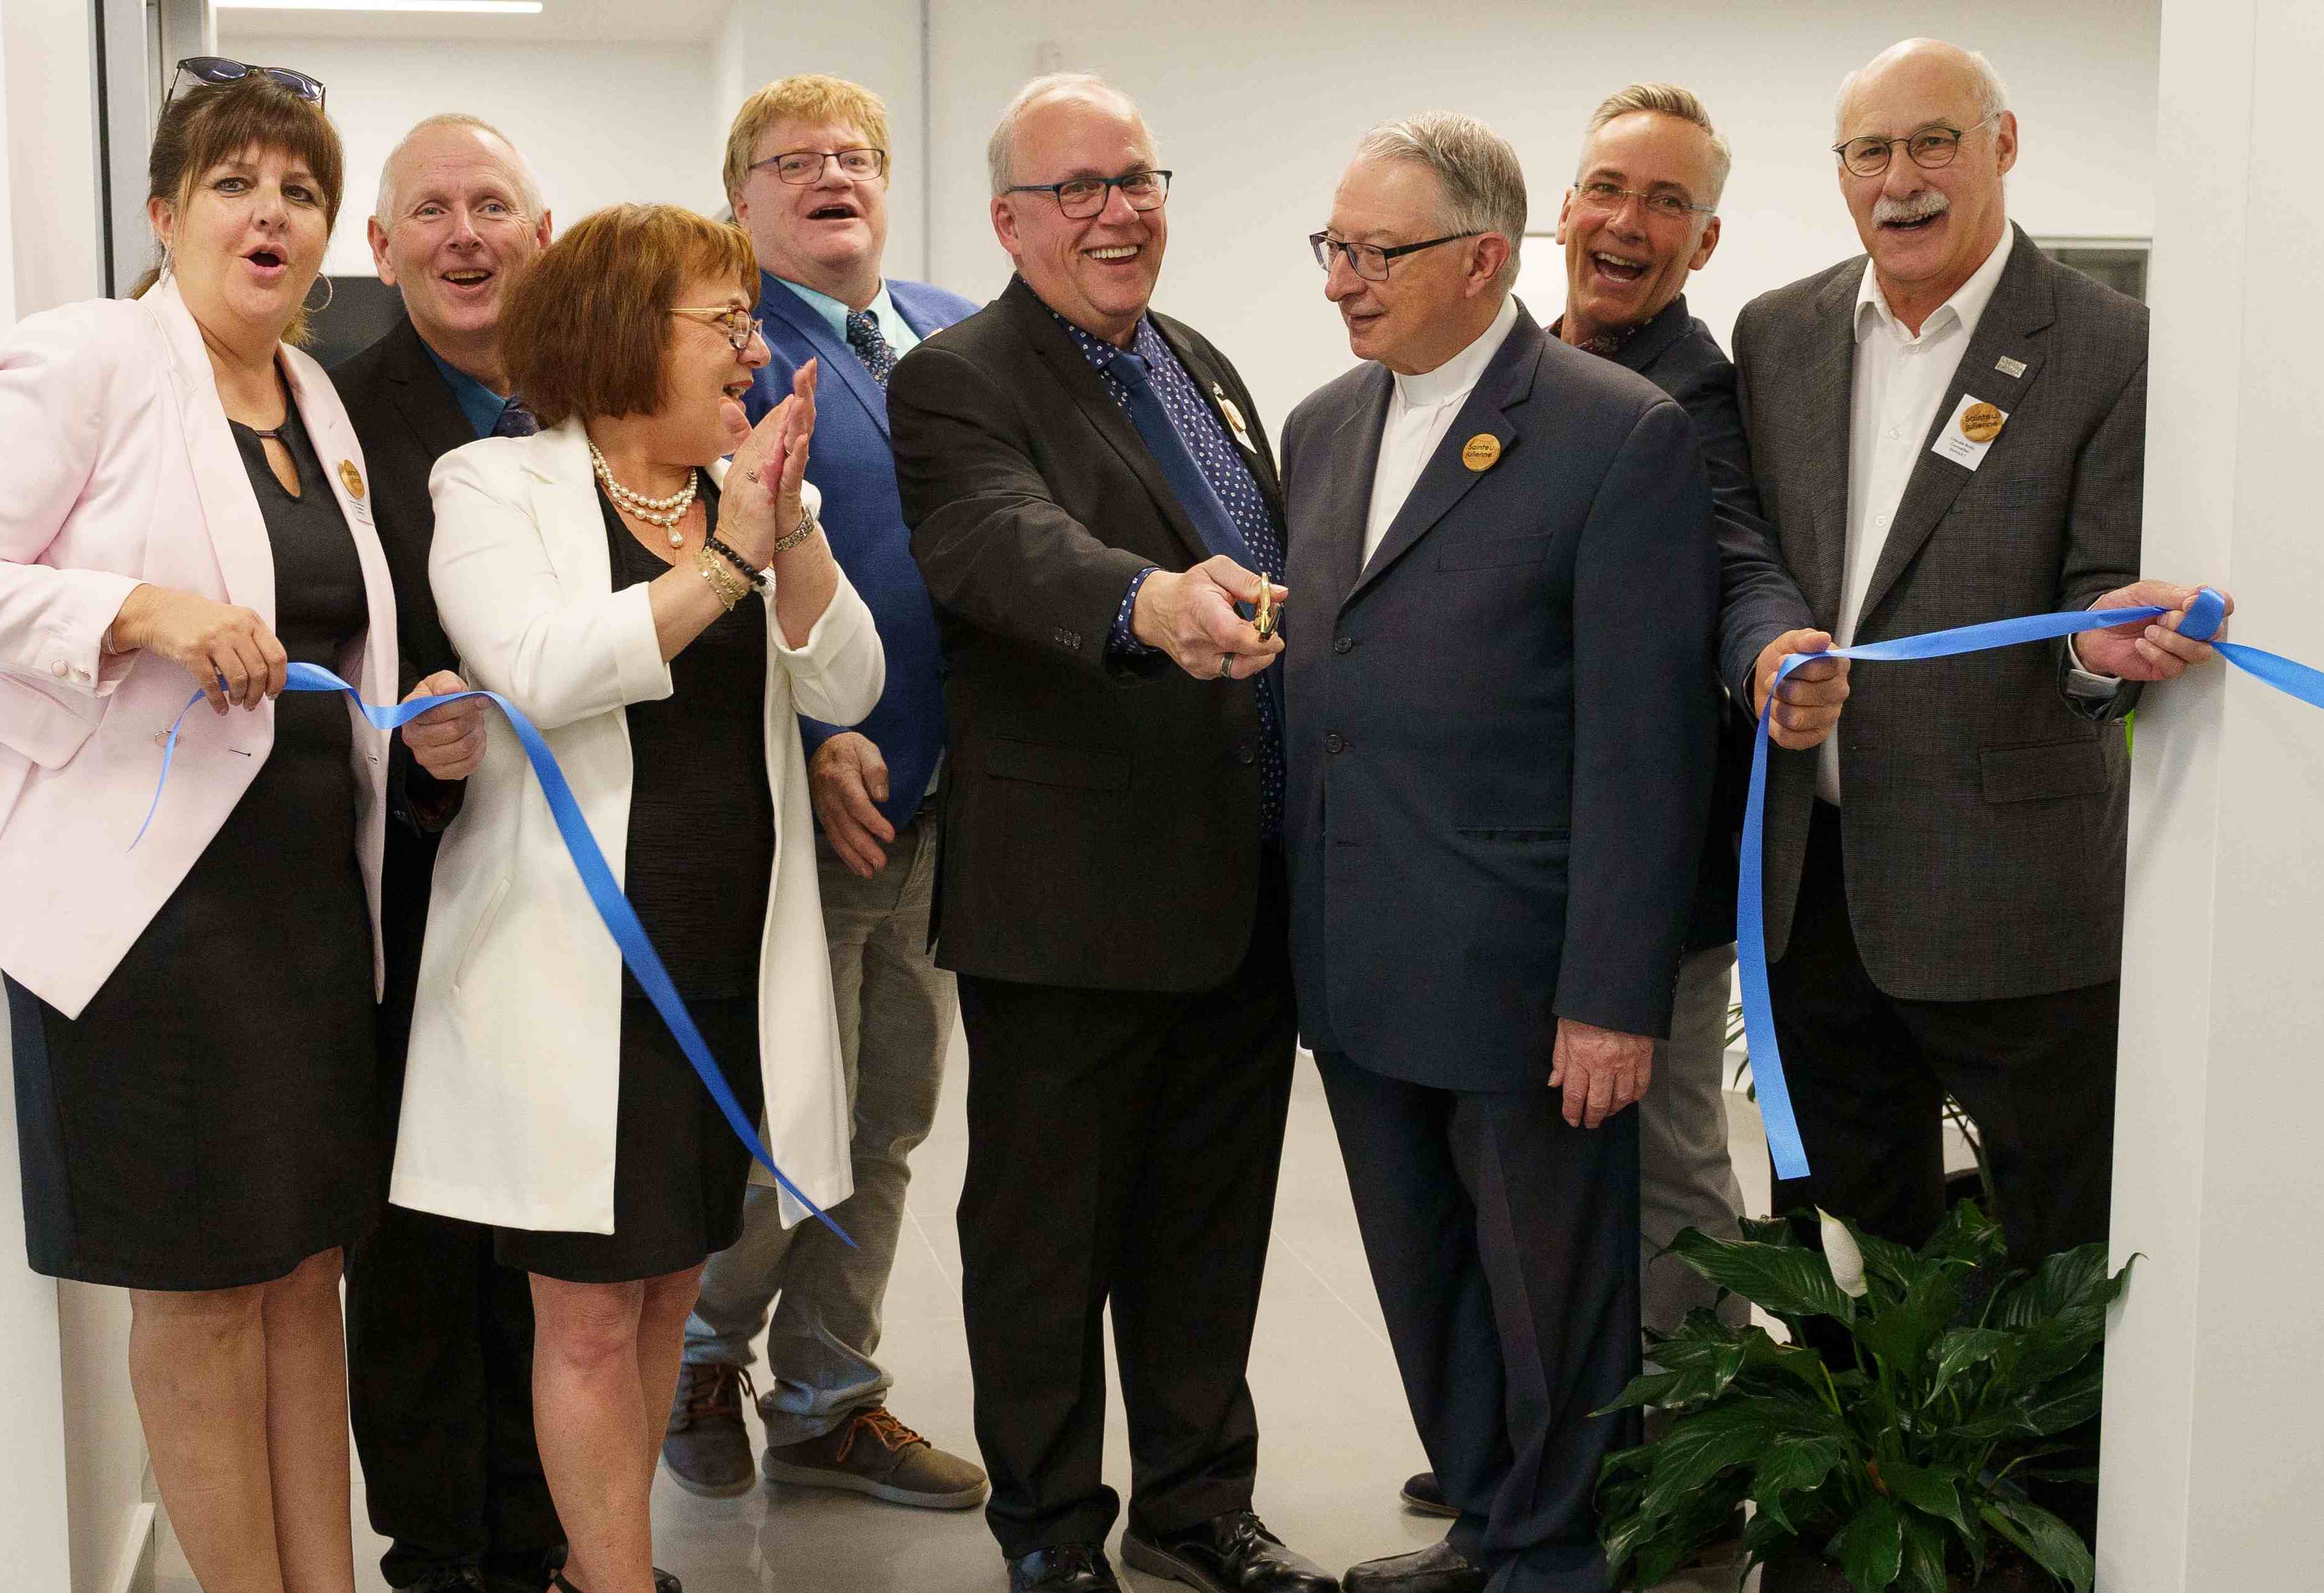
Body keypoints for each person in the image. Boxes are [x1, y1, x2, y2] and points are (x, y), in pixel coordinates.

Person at [0, 60, 486, 1593]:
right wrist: (134, 609)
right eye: (234, 186)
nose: (268, 215)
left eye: (297, 192)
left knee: (299, 1279)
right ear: (164, 213)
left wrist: (422, 721)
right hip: (145, 916)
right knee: (204, 1298)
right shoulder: (91, 359)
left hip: (298, 907)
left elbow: (338, 646)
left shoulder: (320, 395)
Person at [388, 202, 885, 1593]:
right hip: (576, 978)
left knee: (668, 1283)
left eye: (746, 320)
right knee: (592, 1315)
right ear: (622, 336)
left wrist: (779, 530)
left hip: (726, 959)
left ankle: (613, 1570)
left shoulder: (756, 491)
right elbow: (540, 668)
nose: (748, 347)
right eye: (720, 321)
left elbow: (847, 683)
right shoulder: (494, 488)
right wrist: (724, 559)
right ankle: (606, 1582)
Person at [891, 71, 1338, 1593]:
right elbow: (1000, 542)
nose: (1116, 210)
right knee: (1043, 1240)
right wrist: (1143, 601)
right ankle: (1051, 1528)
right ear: (1011, 222)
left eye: (1136, 178)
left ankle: (1198, 1506)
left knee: (1209, 1229)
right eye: (1077, 188)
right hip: (1068, 897)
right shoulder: (957, 377)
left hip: (1238, 881)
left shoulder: (1199, 361)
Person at [1390, 82, 1840, 1534]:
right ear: (1551, 215)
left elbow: (1734, 558)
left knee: (1663, 1170)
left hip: (1644, 876)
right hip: (1504, 869)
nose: (1624, 223)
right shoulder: (1500, 370)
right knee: (1533, 1179)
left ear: (1701, 245)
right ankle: (1550, 1434)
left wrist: (1770, 647)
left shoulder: (1680, 398)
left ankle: (1700, 1457)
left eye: (1664, 204)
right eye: (1605, 189)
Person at [1279, 114, 1714, 1593]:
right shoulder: (1325, 423)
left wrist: (1612, 993)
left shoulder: (1615, 434)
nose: (1342, 279)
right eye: (1331, 246)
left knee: (1552, 1296)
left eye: (1374, 251)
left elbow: (1647, 748)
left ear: (1481, 259)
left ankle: (1557, 1553)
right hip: (1356, 946)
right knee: (1424, 1277)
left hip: (1524, 972)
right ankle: (1486, 1520)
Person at [1730, 38, 2227, 1267]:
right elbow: (1747, 560)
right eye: (1869, 151)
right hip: (1813, 882)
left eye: (1932, 142)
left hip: (2008, 892)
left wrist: (2102, 648)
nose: (1900, 178)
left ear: (2000, 147)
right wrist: (1761, 649)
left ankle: (2046, 1473)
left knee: (2058, 1242)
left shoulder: (2112, 346)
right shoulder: (1776, 335)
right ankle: (1861, 1464)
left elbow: (2090, 599)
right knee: (1840, 1236)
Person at [665, 71, 989, 1514]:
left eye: (853, 156)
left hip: (950, 801)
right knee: (782, 1117)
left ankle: (828, 1394)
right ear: (742, 203)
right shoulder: (722, 351)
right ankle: (692, 1348)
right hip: (815, 799)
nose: (830, 177)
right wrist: (795, 745)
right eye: (793, 162)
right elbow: (693, 573)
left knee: (890, 1120)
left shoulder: (941, 320)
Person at [327, 112, 566, 1593]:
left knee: (549, 1234)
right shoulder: (341, 423)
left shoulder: (596, 410)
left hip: (576, 887)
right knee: (421, 1244)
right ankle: (442, 1547)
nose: (464, 234)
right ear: (384, 248)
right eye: (431, 211)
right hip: (408, 886)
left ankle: (548, 1534)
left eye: (493, 205)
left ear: (541, 233)